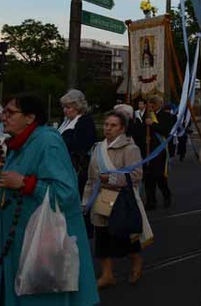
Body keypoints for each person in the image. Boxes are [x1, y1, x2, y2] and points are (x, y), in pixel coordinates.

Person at [0, 95, 98, 305]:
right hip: (20, 242)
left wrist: (27, 184)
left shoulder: (47, 141)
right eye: (4, 112)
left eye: (10, 112)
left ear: (29, 117)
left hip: (40, 246)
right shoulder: (20, 142)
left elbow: (66, 193)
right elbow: (15, 176)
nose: (3, 117)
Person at [82, 111, 151, 289]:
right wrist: (86, 201)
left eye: (113, 125)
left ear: (122, 128)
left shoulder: (130, 149)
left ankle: (136, 261)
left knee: (124, 237)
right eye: (106, 124)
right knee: (102, 238)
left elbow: (135, 176)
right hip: (100, 199)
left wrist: (111, 179)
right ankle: (107, 274)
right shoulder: (98, 148)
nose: (108, 128)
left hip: (121, 200)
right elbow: (91, 178)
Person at [58, 89, 98, 238]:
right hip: (65, 166)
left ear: (78, 107)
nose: (65, 110)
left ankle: (84, 231)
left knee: (81, 198)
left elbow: (85, 144)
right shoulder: (66, 121)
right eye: (64, 107)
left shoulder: (85, 121)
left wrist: (63, 142)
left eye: (68, 107)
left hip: (78, 168)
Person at [134, 96, 174, 210]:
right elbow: (141, 130)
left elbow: (165, 130)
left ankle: (166, 194)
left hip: (160, 150)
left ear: (160, 104)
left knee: (159, 176)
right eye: (151, 103)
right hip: (148, 150)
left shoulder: (166, 116)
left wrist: (152, 124)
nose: (152, 105)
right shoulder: (146, 115)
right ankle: (151, 202)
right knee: (148, 177)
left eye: (154, 103)